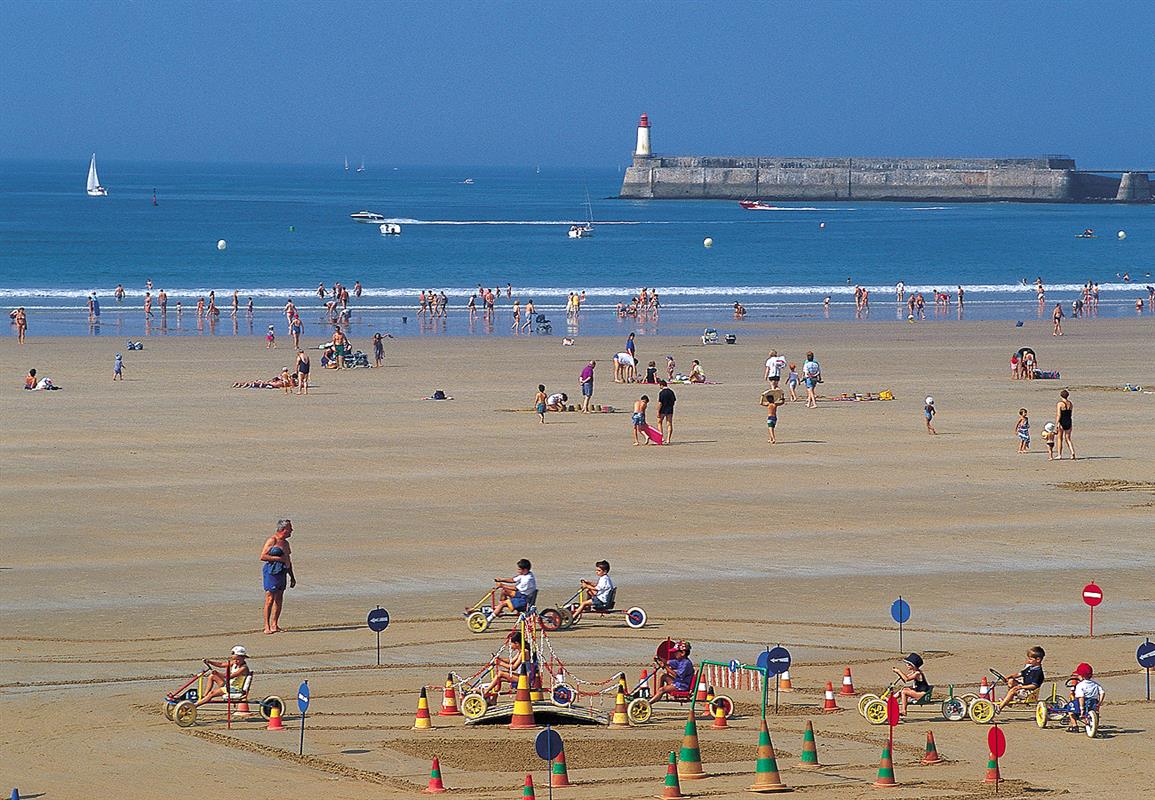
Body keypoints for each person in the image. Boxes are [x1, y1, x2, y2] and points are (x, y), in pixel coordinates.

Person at [260, 520, 296, 634]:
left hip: (282, 572)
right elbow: (263, 556)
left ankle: (275, 624)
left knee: (279, 598)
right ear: (283, 529)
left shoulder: (286, 543)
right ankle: (267, 626)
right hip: (271, 572)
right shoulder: (272, 540)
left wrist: (292, 576)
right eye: (290, 528)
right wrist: (278, 559)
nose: (292, 531)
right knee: (270, 598)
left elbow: (288, 560)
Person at [996, 645, 1045, 712]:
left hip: (1029, 692)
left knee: (1014, 690)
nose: (1028, 661)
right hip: (1024, 688)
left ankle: (1000, 707)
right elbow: (1020, 674)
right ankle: (1009, 700)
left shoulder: (1038, 673)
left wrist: (1021, 687)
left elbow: (1034, 685)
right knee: (1011, 681)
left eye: (1030, 659)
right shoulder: (1030, 668)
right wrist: (1009, 677)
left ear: (1038, 660)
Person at [485, 630, 527, 697]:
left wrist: (500, 663)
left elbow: (514, 667)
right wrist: (499, 658)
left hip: (525, 678)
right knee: (499, 678)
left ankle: (486, 691)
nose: (509, 646)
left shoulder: (524, 652)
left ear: (516, 643)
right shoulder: (521, 651)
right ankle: (493, 696)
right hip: (521, 676)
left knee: (500, 673)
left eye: (511, 644)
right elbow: (511, 661)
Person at [1063, 662, 1105, 730]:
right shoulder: (1095, 684)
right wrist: (1099, 703)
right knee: (1094, 711)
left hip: (1081, 703)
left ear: (1081, 676)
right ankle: (1094, 725)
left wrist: (1082, 708)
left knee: (1069, 709)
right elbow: (1102, 692)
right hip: (1093, 703)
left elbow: (1081, 697)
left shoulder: (1080, 685)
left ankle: (1075, 726)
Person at [1055, 389, 1075, 459]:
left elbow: (1058, 415)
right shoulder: (1070, 403)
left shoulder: (1060, 404)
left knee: (1060, 438)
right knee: (1068, 438)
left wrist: (1057, 423)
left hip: (1062, 421)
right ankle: (1072, 452)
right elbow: (1070, 413)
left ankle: (1059, 455)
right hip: (1069, 420)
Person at [657, 380, 676, 445]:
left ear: (661, 385)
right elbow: (674, 401)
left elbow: (660, 403)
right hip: (670, 409)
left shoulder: (661, 393)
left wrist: (658, 411)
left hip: (662, 409)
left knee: (659, 422)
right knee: (669, 424)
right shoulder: (671, 392)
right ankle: (668, 439)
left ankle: (661, 437)